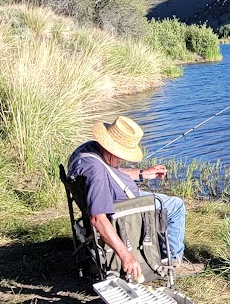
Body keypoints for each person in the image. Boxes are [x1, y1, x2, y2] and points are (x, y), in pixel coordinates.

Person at [67, 115, 201, 282]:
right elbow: (98, 219)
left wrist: (142, 174)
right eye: (121, 155)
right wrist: (126, 256)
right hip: (124, 209)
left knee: (167, 200)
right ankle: (172, 262)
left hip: (114, 198)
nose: (122, 159)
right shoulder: (97, 174)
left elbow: (112, 173)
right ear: (111, 149)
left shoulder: (87, 151)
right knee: (176, 206)